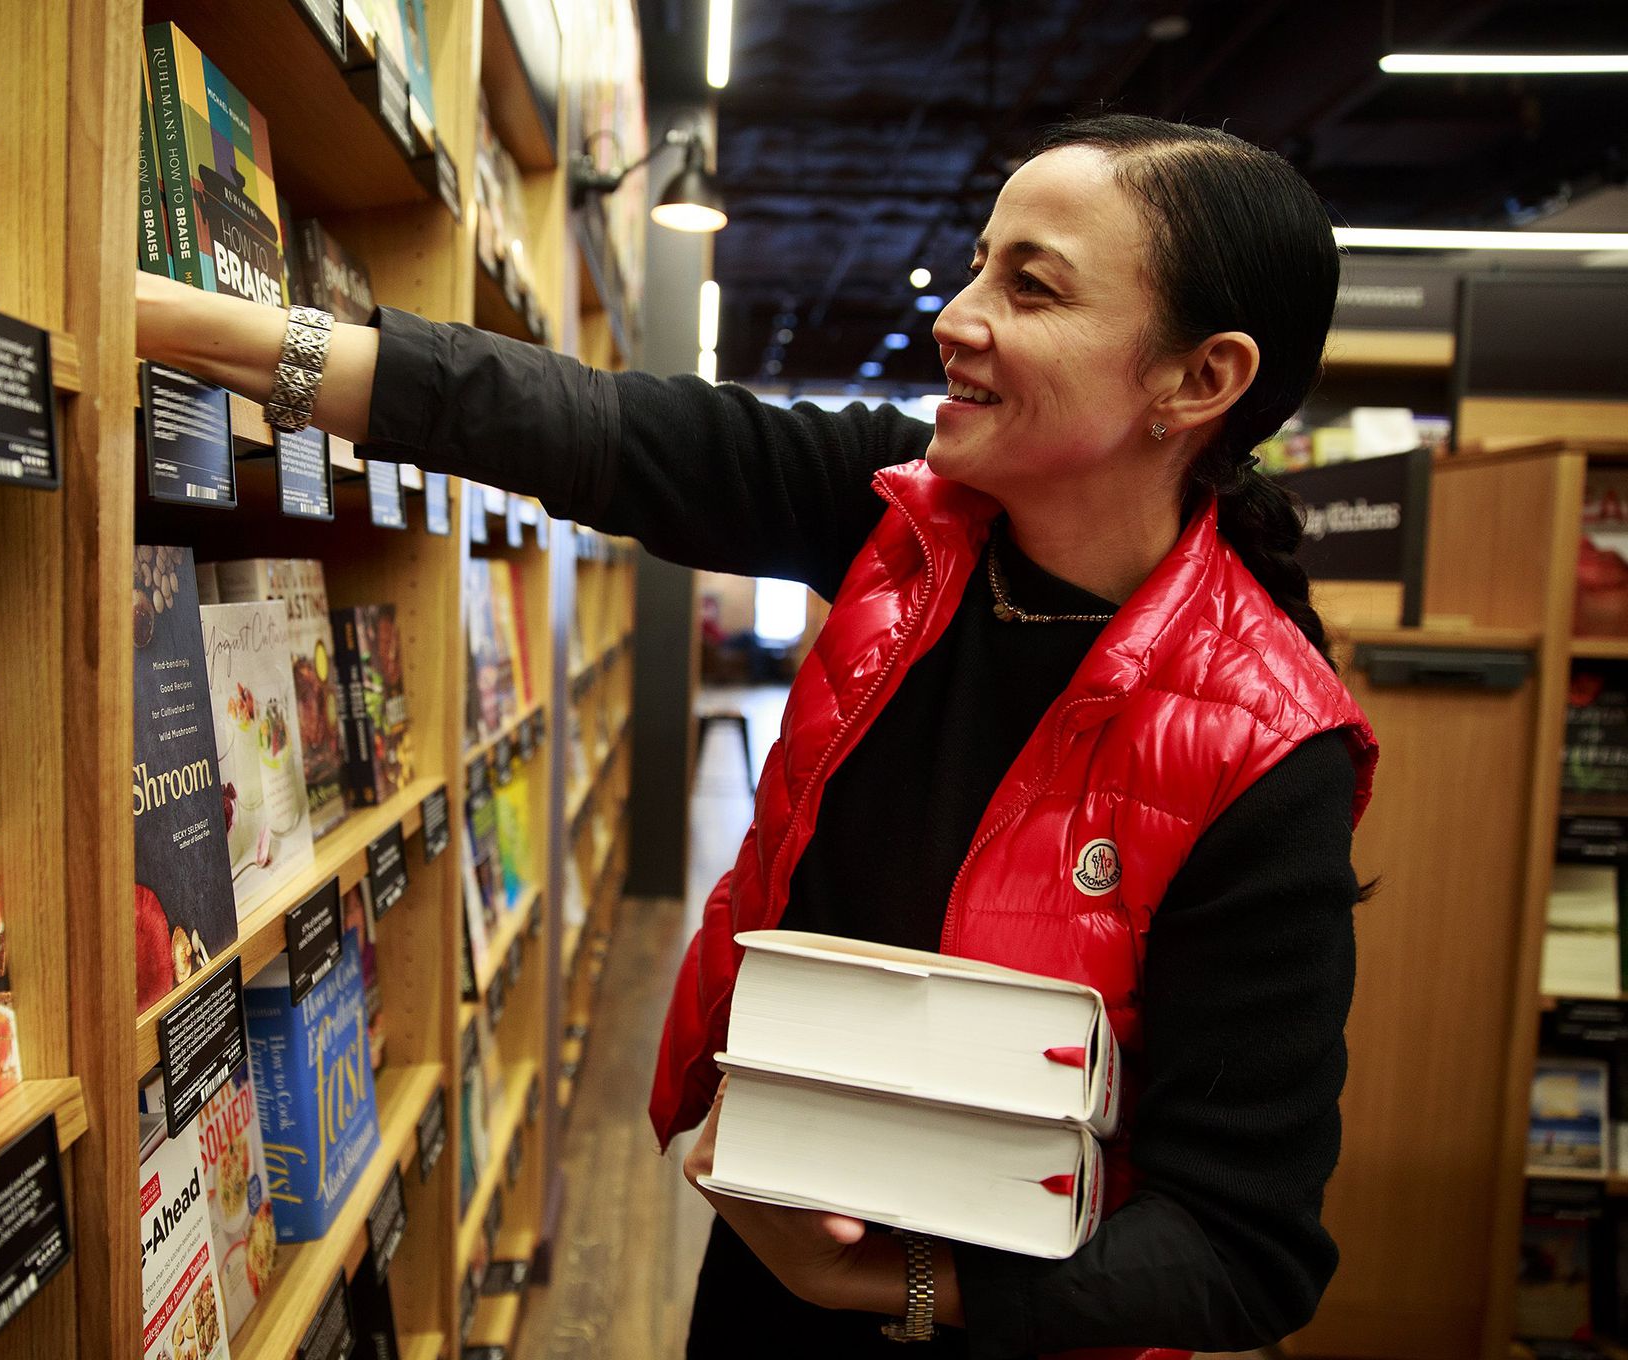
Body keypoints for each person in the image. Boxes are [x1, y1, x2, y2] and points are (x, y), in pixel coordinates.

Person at [137, 113, 1379, 1359]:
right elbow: (579, 426)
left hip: (993, 1322)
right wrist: (184, 324)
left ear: (1199, 379)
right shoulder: (906, 512)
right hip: (765, 1250)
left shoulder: (1269, 751)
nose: (956, 314)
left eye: (1031, 285)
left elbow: (1244, 1247)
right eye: (978, 261)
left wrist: (898, 1287)